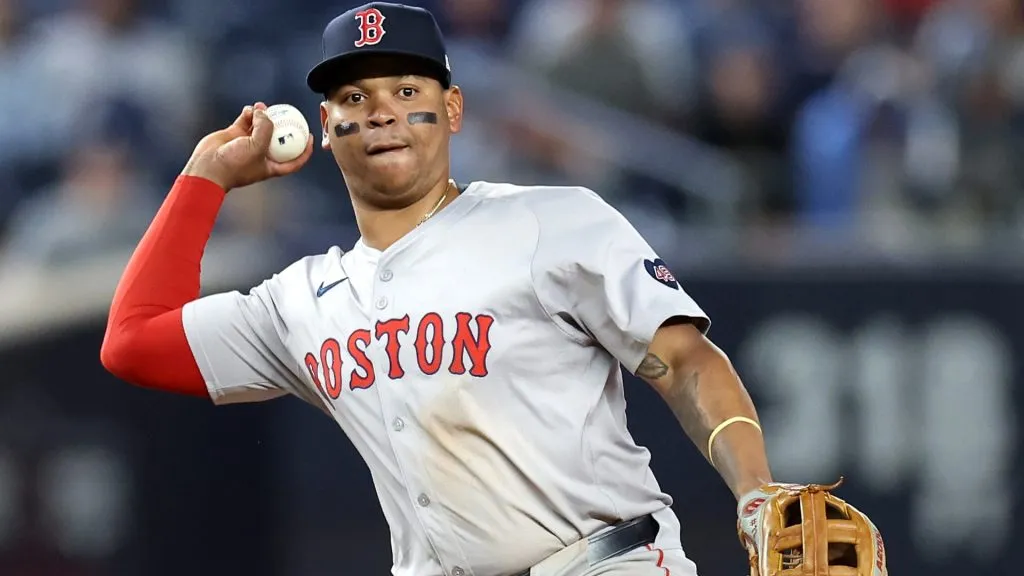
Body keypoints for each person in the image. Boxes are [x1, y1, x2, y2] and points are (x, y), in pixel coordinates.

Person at [100, 3, 886, 576]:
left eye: (408, 91)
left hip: (604, 563)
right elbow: (132, 340)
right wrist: (204, 176)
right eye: (355, 96)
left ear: (453, 109)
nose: (382, 113)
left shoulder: (551, 219)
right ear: (324, 122)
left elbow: (684, 360)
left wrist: (754, 492)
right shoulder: (298, 302)